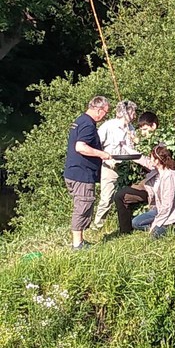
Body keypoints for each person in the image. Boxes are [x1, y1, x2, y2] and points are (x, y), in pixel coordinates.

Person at [64, 96, 111, 250]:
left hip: (73, 172)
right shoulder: (88, 124)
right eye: (105, 112)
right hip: (81, 174)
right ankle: (77, 244)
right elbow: (80, 147)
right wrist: (102, 154)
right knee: (83, 205)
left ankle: (80, 241)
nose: (105, 116)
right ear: (98, 109)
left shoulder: (80, 120)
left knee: (82, 204)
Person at [92, 100, 138, 229]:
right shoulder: (108, 126)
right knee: (106, 198)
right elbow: (96, 146)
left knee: (126, 196)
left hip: (127, 166)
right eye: (133, 113)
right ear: (125, 113)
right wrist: (106, 159)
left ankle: (127, 223)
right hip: (110, 166)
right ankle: (98, 226)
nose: (134, 116)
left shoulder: (131, 128)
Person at [114, 112, 160, 234]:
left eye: (145, 129)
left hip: (158, 183)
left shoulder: (160, 144)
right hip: (148, 180)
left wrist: (129, 151)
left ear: (154, 126)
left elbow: (151, 164)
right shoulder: (145, 142)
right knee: (120, 196)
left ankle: (155, 226)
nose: (143, 133)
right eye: (141, 130)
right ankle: (125, 231)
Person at [129, 145, 175, 237]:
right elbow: (143, 160)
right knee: (135, 223)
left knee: (154, 236)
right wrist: (125, 147)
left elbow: (168, 206)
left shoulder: (170, 176)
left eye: (151, 158)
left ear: (157, 161)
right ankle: (158, 228)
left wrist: (156, 223)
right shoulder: (157, 170)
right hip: (159, 209)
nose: (150, 160)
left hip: (171, 213)